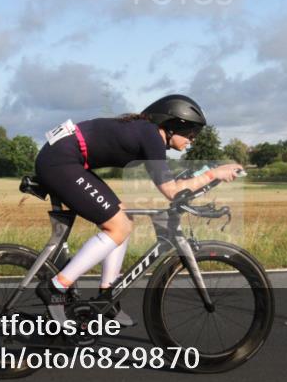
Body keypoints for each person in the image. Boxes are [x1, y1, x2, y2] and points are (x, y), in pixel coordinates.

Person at [33, 94, 243, 325]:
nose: (192, 140)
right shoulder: (151, 136)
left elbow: (172, 181)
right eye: (191, 133)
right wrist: (213, 174)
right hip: (61, 162)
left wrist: (207, 175)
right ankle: (55, 287)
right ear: (172, 125)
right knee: (118, 227)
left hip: (66, 159)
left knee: (124, 220)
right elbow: (172, 191)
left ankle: (107, 296)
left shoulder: (148, 133)